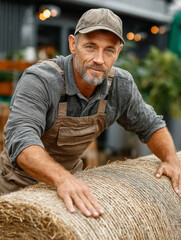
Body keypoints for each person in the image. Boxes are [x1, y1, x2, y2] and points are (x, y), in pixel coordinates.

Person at [0, 8, 181, 218]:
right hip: (17, 185)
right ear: (73, 44)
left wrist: (171, 160)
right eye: (91, 46)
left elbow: (151, 126)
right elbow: (21, 139)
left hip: (68, 184)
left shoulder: (120, 85)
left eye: (109, 50)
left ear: (118, 52)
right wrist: (62, 179)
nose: (99, 59)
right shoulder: (41, 80)